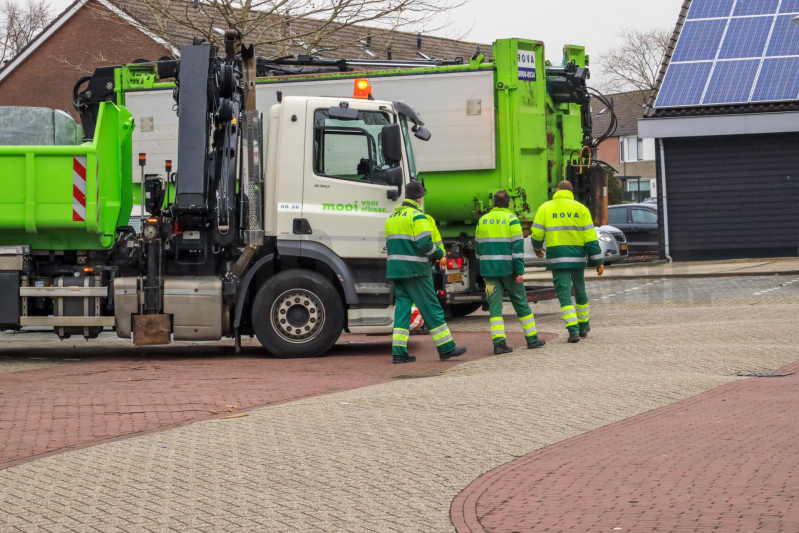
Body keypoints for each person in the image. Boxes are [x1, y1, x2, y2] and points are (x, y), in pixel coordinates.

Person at [385, 181, 468, 364]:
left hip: (396, 271)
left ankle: (399, 353)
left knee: (403, 311)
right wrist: (438, 254)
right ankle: (446, 348)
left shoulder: (392, 217)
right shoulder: (418, 217)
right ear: (420, 198)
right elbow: (424, 244)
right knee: (432, 308)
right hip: (416, 271)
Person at [531, 180, 604, 343]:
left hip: (557, 258)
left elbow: (536, 233)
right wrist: (598, 259)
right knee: (580, 290)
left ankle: (573, 330)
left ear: (557, 190)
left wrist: (537, 248)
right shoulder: (581, 209)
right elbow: (590, 237)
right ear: (571, 192)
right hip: (577, 257)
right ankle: (584, 325)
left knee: (564, 295)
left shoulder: (545, 207)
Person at [476, 190, 546, 354]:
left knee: (494, 307)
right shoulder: (512, 220)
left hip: (489, 273)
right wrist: (519, 271)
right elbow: (517, 249)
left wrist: (484, 266)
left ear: (494, 203)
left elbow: (478, 249)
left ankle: (499, 344)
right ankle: (532, 339)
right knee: (521, 303)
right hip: (509, 271)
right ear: (508, 204)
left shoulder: (482, 221)